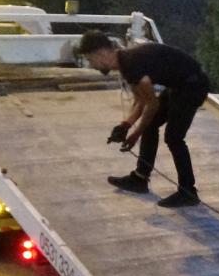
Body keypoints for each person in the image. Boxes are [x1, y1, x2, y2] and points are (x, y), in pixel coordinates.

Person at [77, 30, 209, 208]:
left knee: (174, 137)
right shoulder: (125, 63)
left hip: (193, 85)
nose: (92, 65)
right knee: (151, 125)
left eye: (90, 59)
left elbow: (152, 105)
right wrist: (125, 125)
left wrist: (135, 134)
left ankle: (188, 192)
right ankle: (140, 179)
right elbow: (141, 100)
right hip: (179, 85)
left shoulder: (131, 65)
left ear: (101, 54)